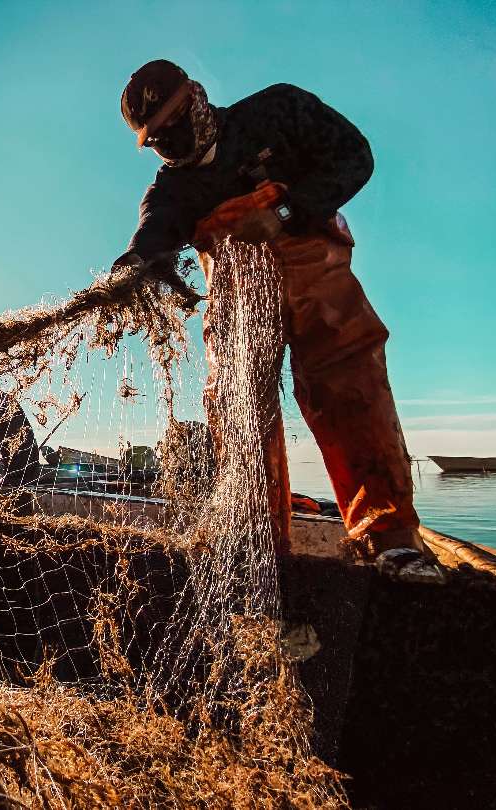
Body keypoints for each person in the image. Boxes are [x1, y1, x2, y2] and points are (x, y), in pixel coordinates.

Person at [115, 59, 420, 556]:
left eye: (175, 119)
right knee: (238, 403)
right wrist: (129, 269)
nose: (170, 137)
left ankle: (388, 537)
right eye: (156, 137)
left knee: (348, 385)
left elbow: (353, 155)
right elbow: (152, 237)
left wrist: (284, 212)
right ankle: (257, 544)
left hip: (314, 273)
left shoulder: (277, 110)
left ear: (196, 94)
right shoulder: (171, 190)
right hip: (237, 297)